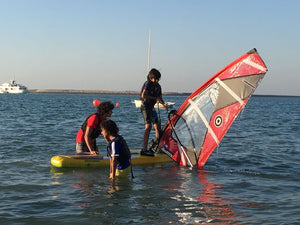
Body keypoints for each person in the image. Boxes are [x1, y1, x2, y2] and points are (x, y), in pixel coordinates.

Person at [140, 68, 167, 156]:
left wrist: (163, 104)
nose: (156, 81)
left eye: (158, 79)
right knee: (148, 126)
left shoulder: (158, 86)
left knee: (158, 126)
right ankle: (144, 149)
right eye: (155, 79)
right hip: (145, 107)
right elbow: (143, 95)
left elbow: (160, 97)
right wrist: (155, 99)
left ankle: (156, 146)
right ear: (150, 78)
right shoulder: (148, 84)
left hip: (152, 108)